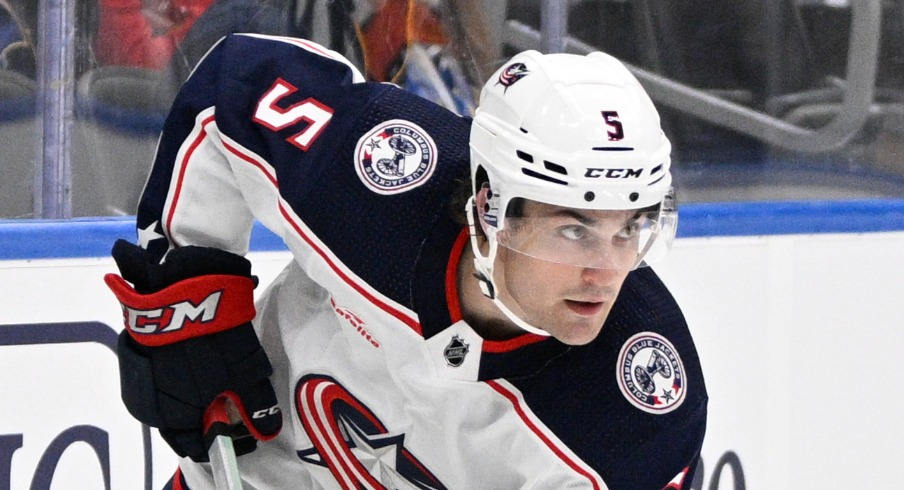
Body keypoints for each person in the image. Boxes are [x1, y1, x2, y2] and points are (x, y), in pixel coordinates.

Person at [105, 32, 707, 489]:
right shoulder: (376, 173)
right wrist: (188, 296)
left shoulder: (637, 410)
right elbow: (232, 88)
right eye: (573, 230)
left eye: (631, 228)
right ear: (487, 207)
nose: (606, 273)